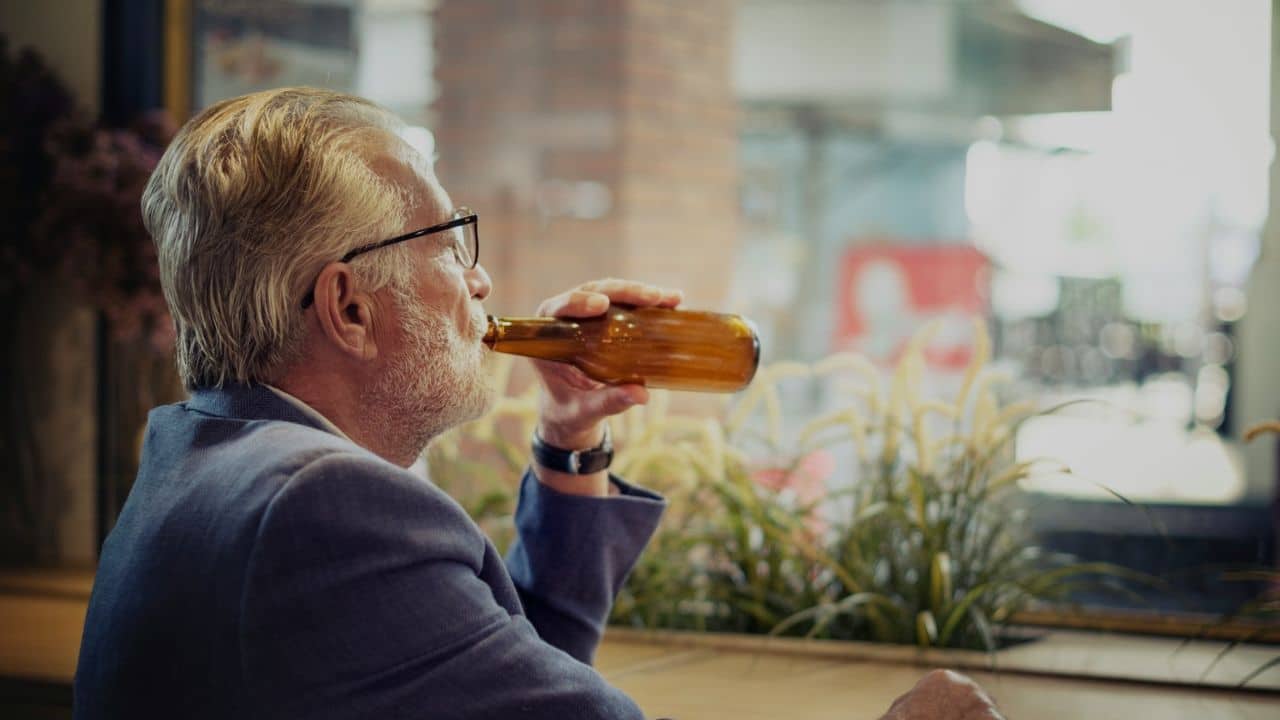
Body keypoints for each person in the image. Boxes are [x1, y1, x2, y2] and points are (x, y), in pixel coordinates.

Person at [73, 87, 1002, 719]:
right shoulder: (316, 508)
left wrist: (570, 435)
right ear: (349, 307)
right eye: (450, 242)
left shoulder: (203, 458)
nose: (481, 283)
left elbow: (517, 676)